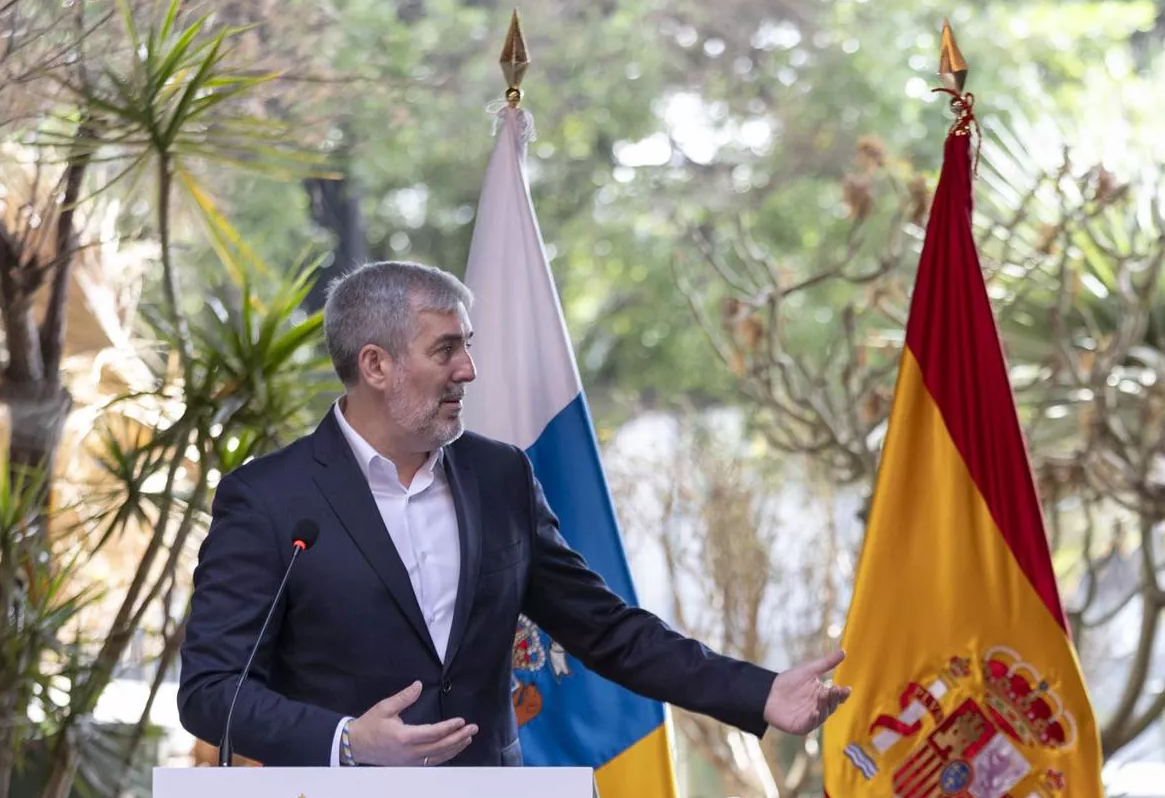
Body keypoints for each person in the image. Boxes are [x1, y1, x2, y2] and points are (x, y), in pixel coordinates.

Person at [178, 261, 849, 767]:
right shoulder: (268, 500)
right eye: (445, 349)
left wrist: (759, 693)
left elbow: (607, 630)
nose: (468, 370)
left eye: (467, 346)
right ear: (375, 365)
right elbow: (210, 690)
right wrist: (346, 741)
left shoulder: (500, 477)